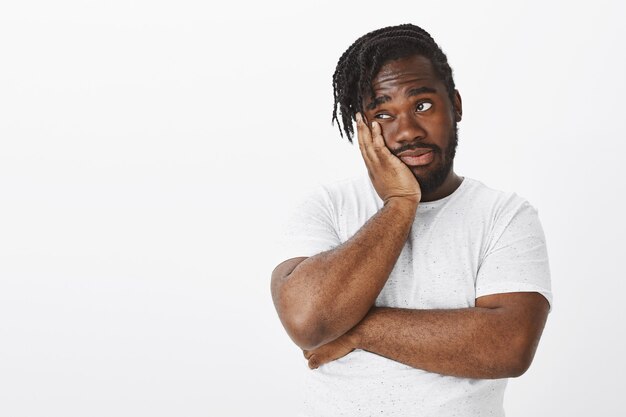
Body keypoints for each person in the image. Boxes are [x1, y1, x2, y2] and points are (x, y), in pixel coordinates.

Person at [270, 23, 552, 417]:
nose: (407, 131)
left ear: (455, 104)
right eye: (383, 113)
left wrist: (358, 329)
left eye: (422, 105)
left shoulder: (504, 215)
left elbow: (509, 345)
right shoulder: (327, 205)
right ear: (362, 127)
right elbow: (308, 321)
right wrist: (400, 202)